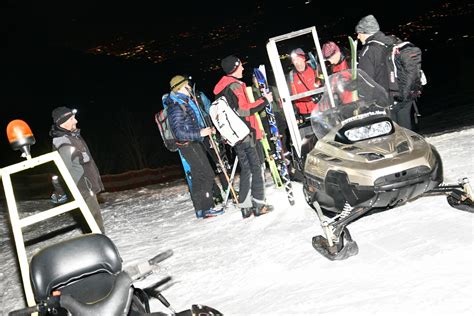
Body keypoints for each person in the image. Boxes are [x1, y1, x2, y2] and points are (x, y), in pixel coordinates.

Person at [213, 55, 274, 218]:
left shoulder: (221, 89)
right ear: (234, 68)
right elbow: (244, 110)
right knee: (256, 167)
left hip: (235, 135)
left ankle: (246, 206)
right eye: (240, 66)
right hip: (247, 132)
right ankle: (259, 206)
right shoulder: (235, 86)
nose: (242, 69)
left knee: (246, 169)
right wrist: (264, 101)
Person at [167, 75, 224, 219]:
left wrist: (206, 130)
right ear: (181, 87)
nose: (190, 87)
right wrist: (199, 132)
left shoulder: (184, 102)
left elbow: (191, 123)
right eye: (188, 85)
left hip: (192, 143)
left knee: (198, 176)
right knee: (208, 174)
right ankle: (208, 207)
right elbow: (179, 132)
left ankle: (201, 209)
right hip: (189, 145)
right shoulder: (176, 106)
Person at [49, 106, 106, 233]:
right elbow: (62, 172)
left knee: (95, 222)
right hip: (83, 190)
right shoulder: (65, 144)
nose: (76, 121)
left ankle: (98, 246)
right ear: (63, 122)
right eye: (72, 118)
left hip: (87, 188)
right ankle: (99, 249)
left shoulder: (73, 137)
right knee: (94, 225)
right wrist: (60, 192)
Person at [355, 14, 415, 130]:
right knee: (407, 131)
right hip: (404, 93)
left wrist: (363, 101)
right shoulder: (392, 41)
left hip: (387, 99)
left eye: (359, 33)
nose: (358, 37)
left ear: (366, 32)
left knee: (393, 135)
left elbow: (366, 80)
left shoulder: (368, 50)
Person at [288, 48, 323, 119]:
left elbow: (323, 82)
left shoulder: (314, 68)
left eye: (298, 59)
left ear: (303, 58)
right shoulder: (291, 75)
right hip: (302, 113)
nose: (296, 62)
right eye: (294, 60)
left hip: (319, 107)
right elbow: (290, 95)